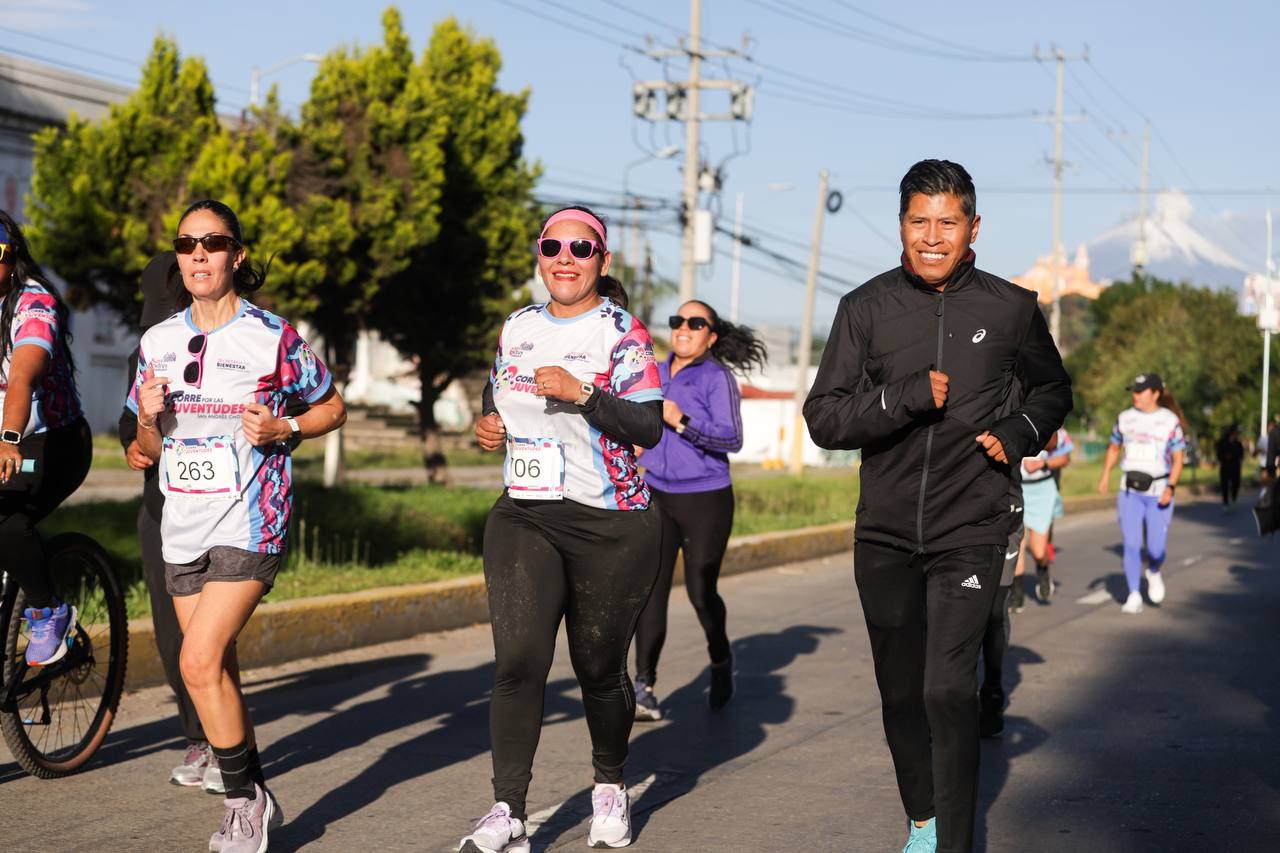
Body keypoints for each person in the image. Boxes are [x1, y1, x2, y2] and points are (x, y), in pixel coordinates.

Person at [803, 160, 1072, 853]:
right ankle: (921, 817)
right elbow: (824, 417)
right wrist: (902, 398)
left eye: (946, 221)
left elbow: (1053, 392)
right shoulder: (864, 308)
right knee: (901, 695)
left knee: (948, 689)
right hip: (885, 534)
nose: (931, 235)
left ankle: (951, 842)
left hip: (971, 524)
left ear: (972, 227)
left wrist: (1018, 434)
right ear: (902, 225)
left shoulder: (1012, 308)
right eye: (919, 220)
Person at [128, 200, 346, 852]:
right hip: (183, 524)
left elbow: (333, 405)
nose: (198, 255)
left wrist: (288, 426)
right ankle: (254, 789)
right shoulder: (158, 342)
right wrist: (145, 416)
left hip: (251, 520)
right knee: (210, 669)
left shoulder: (271, 336)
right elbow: (152, 443)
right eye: (187, 244)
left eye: (213, 243)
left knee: (196, 659)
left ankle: (242, 804)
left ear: (237, 255)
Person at [461, 206, 664, 853]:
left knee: (600, 667)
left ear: (602, 260)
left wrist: (585, 395)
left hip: (611, 521)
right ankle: (508, 809)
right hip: (525, 511)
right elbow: (498, 395)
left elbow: (648, 426)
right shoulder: (518, 326)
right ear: (540, 255)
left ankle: (609, 782)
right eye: (553, 246)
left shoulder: (623, 334)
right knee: (519, 660)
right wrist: (487, 422)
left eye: (582, 247)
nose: (565, 257)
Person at [629, 299, 766, 721]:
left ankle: (721, 659)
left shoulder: (717, 377)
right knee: (650, 590)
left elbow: (732, 439)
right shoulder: (652, 371)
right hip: (655, 491)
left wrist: (681, 420)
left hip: (706, 497)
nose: (683, 328)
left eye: (695, 322)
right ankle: (644, 686)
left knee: (700, 591)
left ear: (711, 336)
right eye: (677, 321)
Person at [118, 251, 222, 791]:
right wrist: (135, 444)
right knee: (171, 632)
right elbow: (127, 421)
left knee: (212, 635)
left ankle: (230, 747)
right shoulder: (148, 351)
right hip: (161, 510)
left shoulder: (230, 341)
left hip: (224, 511)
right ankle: (199, 737)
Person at [0, 210, 93, 667]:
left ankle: (47, 611)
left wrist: (9, 437)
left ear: (12, 257)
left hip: (49, 443)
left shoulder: (33, 303)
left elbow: (23, 374)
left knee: (4, 518)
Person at [1097, 373, 1185, 614]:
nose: (1135, 395)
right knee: (1132, 544)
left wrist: (1171, 487)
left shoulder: (1169, 421)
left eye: (1141, 391)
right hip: (1130, 492)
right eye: (1133, 391)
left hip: (1159, 492)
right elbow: (1114, 447)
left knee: (1156, 549)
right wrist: (1106, 474)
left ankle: (1154, 570)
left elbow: (1178, 458)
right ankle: (1134, 593)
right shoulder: (1125, 418)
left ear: (1155, 393)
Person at [1008, 428, 1072, 611]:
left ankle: (1043, 571)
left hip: (1042, 490)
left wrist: (1043, 464)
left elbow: (1065, 458)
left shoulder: (1054, 426)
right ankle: (1016, 596)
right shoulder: (1015, 420)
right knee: (1017, 543)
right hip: (1019, 489)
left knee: (1038, 551)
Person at [1215, 424, 1244, 511]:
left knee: (1236, 484)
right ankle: (1225, 502)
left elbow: (1241, 454)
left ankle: (1233, 498)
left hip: (1235, 467)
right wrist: (1224, 457)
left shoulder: (1238, 444)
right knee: (1224, 485)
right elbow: (1219, 454)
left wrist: (1233, 456)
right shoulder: (1223, 442)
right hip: (1225, 467)